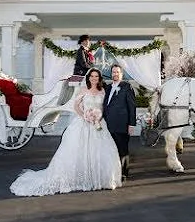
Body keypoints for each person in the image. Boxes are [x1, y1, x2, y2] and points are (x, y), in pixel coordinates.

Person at [10, 68, 122, 196]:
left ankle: (101, 179)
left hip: (99, 124)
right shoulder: (83, 90)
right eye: (92, 76)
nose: (94, 78)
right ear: (89, 78)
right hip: (84, 122)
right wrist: (85, 115)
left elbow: (103, 107)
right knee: (79, 150)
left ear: (99, 78)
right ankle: (80, 178)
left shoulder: (102, 91)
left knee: (100, 150)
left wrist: (99, 116)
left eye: (96, 76)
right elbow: (76, 107)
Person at [103, 64, 136, 181]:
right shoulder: (107, 87)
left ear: (121, 74)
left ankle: (124, 173)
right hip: (109, 124)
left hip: (122, 124)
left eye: (117, 72)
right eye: (113, 72)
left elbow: (132, 106)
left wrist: (131, 124)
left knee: (123, 149)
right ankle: (114, 171)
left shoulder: (127, 86)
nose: (115, 74)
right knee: (112, 149)